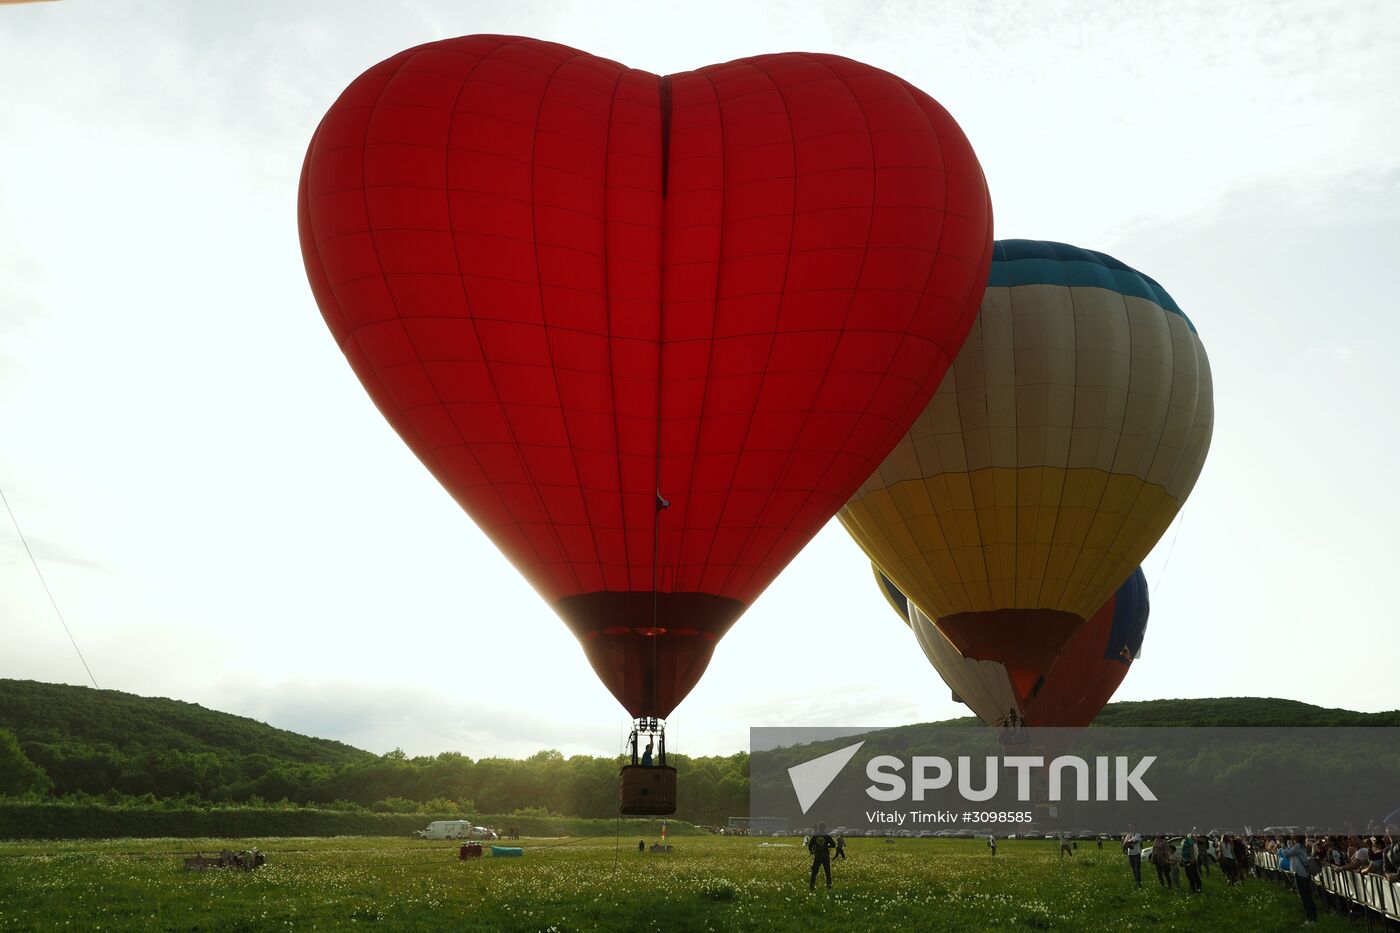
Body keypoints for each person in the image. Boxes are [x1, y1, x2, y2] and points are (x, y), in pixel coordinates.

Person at [1279, 836, 1318, 925]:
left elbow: (1286, 854)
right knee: (1307, 896)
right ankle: (1313, 917)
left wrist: (1283, 845)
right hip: (1302, 873)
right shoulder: (1299, 846)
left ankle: (1311, 919)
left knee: (1305, 897)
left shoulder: (1298, 847)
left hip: (1301, 874)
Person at [808, 822, 836, 890]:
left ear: (819, 827)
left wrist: (811, 851)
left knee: (814, 872)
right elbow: (834, 845)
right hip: (825, 856)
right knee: (827, 872)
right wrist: (828, 845)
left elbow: (810, 844)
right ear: (824, 827)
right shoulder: (827, 835)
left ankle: (812, 886)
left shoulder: (816, 835)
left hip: (817, 856)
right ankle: (829, 887)